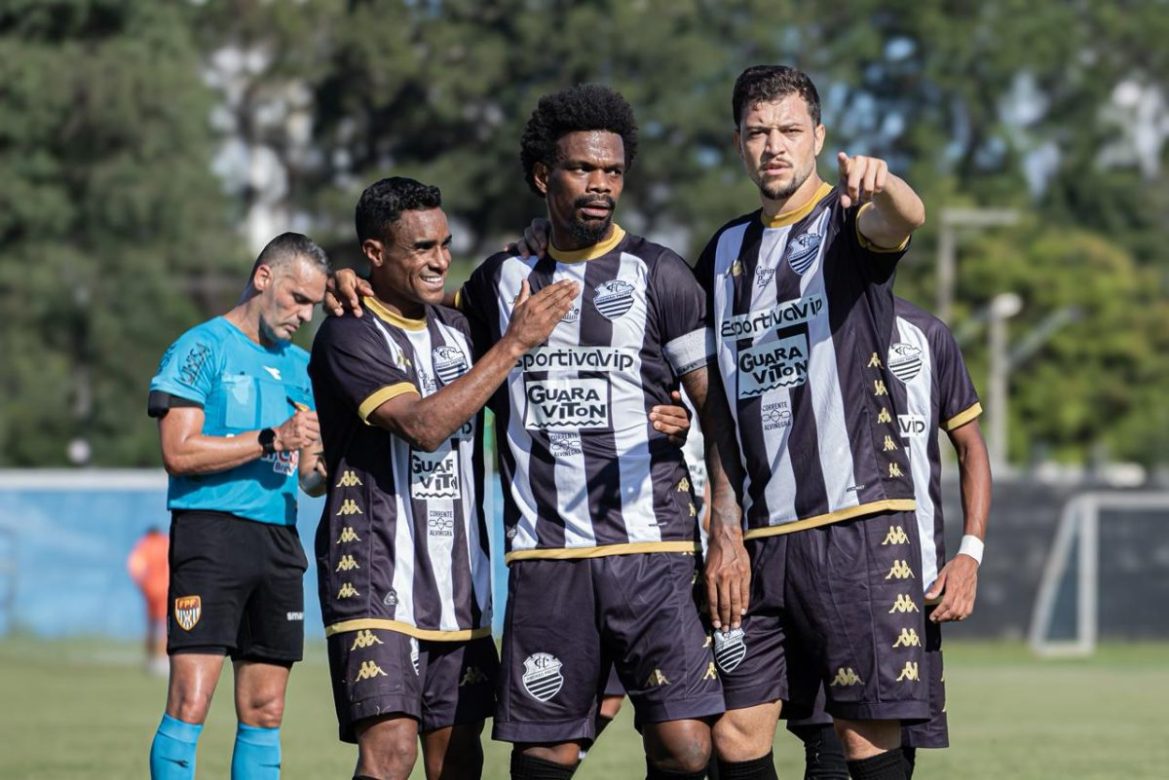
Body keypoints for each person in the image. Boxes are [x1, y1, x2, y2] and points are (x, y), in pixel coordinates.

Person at [456, 83, 729, 780]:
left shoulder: (661, 274)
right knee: (546, 751)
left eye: (612, 171)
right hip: (547, 554)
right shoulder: (497, 281)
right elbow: (421, 321)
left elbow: (716, 411)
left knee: (688, 745)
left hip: (654, 549)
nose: (600, 184)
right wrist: (354, 284)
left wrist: (725, 529)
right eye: (582, 169)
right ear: (543, 176)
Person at [696, 65, 928, 780]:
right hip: (762, 539)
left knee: (862, 734)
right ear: (739, 143)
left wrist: (886, 185)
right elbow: (715, 403)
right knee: (734, 733)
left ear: (818, 138)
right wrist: (724, 524)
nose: (774, 146)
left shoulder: (847, 220)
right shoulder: (722, 252)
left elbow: (904, 219)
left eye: (790, 131)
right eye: (758, 132)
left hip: (853, 521)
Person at [308, 176, 577, 780]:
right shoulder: (349, 333)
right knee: (391, 753)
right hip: (376, 575)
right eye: (422, 248)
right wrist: (512, 345)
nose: (439, 260)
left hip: (461, 584)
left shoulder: (461, 329)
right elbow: (423, 426)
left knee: (456, 757)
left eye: (445, 244)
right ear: (374, 253)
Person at [145, 232, 330, 780]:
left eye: (313, 305)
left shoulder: (303, 368)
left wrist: (337, 467)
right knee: (191, 701)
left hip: (279, 542)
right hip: (212, 536)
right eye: (298, 298)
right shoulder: (201, 347)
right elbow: (178, 452)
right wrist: (271, 438)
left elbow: (310, 476)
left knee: (266, 710)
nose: (305, 315)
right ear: (263, 277)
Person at [784, 296, 992, 778]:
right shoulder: (796, 325)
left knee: (894, 752)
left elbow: (970, 446)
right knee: (829, 749)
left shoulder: (926, 333)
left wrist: (970, 554)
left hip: (909, 582)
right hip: (823, 570)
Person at [127, 525, 170, 676]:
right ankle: (162, 659)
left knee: (151, 624)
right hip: (165, 588)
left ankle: (150, 659)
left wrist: (142, 584)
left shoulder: (144, 545)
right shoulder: (165, 543)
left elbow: (135, 566)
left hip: (150, 589)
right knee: (165, 625)